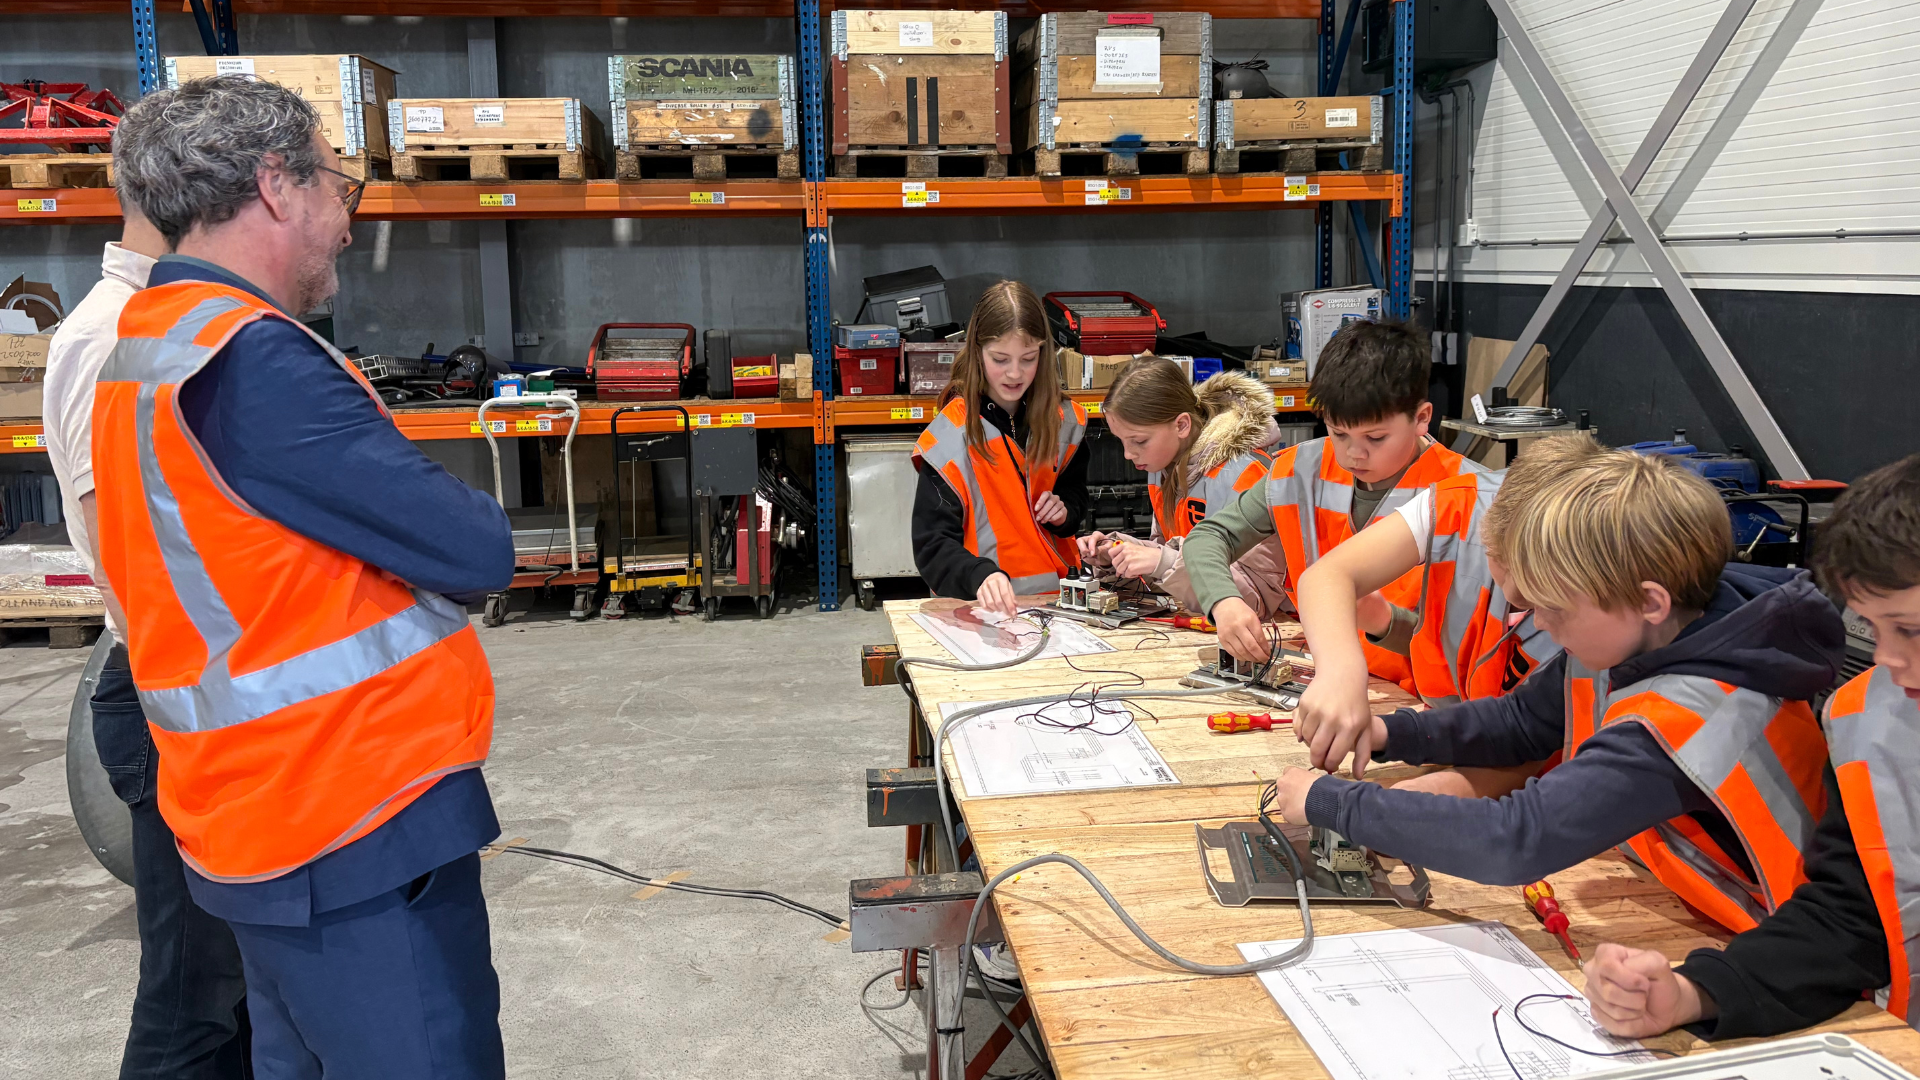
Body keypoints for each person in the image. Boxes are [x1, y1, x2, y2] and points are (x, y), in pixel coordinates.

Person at [96, 75, 514, 1078]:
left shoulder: (148, 347)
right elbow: (475, 548)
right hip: (350, 814)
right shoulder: (252, 362)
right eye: (338, 187)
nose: (346, 222)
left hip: (254, 818)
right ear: (275, 185)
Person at [1266, 449, 1841, 936]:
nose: (1537, 623)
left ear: (1649, 601)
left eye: (1554, 609)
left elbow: (1518, 839)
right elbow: (1521, 721)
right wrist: (1388, 733)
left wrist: (1333, 803)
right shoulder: (1646, 638)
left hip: (1779, 941)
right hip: (1689, 904)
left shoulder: (1687, 718)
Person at [1582, 453, 1920, 1041]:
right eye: (1872, 627)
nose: (1886, 657)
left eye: (1910, 629)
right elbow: (1846, 920)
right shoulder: (1869, 717)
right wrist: (1695, 993)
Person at [44, 194, 254, 1077]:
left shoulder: (175, 319)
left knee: (240, 989)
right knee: (192, 995)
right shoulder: (114, 335)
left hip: (203, 692)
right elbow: (133, 560)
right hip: (174, 697)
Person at [1182, 319, 1484, 689]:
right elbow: (1209, 537)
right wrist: (1224, 602)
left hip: (1422, 698)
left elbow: (1472, 650)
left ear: (1421, 418)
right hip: (1324, 680)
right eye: (1339, 433)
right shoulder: (1299, 470)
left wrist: (1382, 620)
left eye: (1376, 437)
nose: (1355, 453)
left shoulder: (1468, 495)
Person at [1287, 434, 1598, 795]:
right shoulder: (1461, 504)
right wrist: (1341, 675)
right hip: (1459, 736)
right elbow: (1327, 576)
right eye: (1507, 580)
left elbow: (1524, 754)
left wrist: (1369, 807)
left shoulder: (1600, 622)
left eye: (1542, 601)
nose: (1535, 616)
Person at [913, 280, 1088, 617]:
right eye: (1000, 359)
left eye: (1028, 358)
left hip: (1061, 607)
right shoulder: (951, 435)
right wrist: (979, 575)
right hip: (979, 610)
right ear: (977, 352)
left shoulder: (1066, 420)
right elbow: (932, 546)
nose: (1014, 373)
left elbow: (1076, 495)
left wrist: (1065, 512)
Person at [1076, 358, 1292, 619]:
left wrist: (1161, 562)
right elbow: (1169, 568)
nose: (1127, 454)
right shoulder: (1163, 466)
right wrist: (1117, 554)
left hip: (1285, 628)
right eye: (1121, 441)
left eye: (1139, 441)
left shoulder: (1245, 475)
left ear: (1181, 425)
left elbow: (1258, 600)